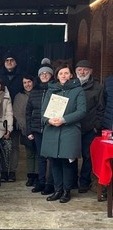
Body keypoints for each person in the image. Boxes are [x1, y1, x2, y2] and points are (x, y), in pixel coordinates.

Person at [41, 63, 86, 203]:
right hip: (52, 130)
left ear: (71, 75)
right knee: (54, 161)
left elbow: (81, 111)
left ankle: (66, 191)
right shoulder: (51, 91)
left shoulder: (78, 90)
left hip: (69, 131)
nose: (64, 76)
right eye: (61, 73)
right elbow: (43, 113)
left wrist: (64, 119)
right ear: (57, 76)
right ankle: (57, 190)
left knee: (67, 162)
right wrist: (49, 120)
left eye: (66, 73)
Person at [0, 51, 24, 182]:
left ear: (16, 62)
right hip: (2, 115)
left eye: (12, 60)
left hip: (17, 114)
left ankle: (12, 171)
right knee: (2, 146)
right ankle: (3, 171)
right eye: (7, 60)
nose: (9, 62)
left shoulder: (22, 76)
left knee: (14, 146)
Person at [74, 60, 104, 193]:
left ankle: (84, 182)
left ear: (91, 71)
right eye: (80, 69)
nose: (82, 72)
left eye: (85, 69)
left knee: (88, 156)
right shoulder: (71, 85)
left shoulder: (98, 87)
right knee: (71, 155)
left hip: (89, 128)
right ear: (76, 72)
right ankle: (72, 180)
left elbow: (101, 108)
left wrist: (97, 125)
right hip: (73, 127)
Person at [26, 59, 55, 195]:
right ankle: (41, 182)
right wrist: (29, 129)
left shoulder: (55, 89)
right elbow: (28, 112)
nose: (44, 75)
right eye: (42, 73)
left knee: (52, 157)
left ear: (51, 75)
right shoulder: (34, 91)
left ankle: (51, 183)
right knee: (41, 157)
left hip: (52, 129)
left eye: (47, 73)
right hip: (37, 129)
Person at [12, 74, 38, 186]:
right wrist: (27, 129)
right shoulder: (19, 96)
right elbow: (17, 114)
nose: (27, 85)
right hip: (25, 130)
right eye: (25, 83)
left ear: (33, 82)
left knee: (38, 154)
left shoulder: (38, 93)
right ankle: (31, 176)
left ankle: (38, 175)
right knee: (30, 153)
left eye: (29, 82)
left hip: (38, 128)